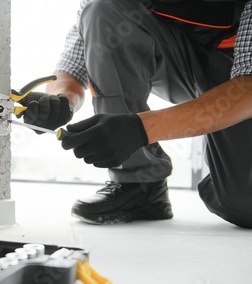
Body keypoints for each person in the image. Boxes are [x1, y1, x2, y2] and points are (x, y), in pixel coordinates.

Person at [18, 0, 252, 227]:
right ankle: (139, 184)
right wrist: (60, 100)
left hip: (236, 74)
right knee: (103, 10)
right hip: (182, 62)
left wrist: (139, 129)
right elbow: (74, 61)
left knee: (242, 203)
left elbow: (248, 87)